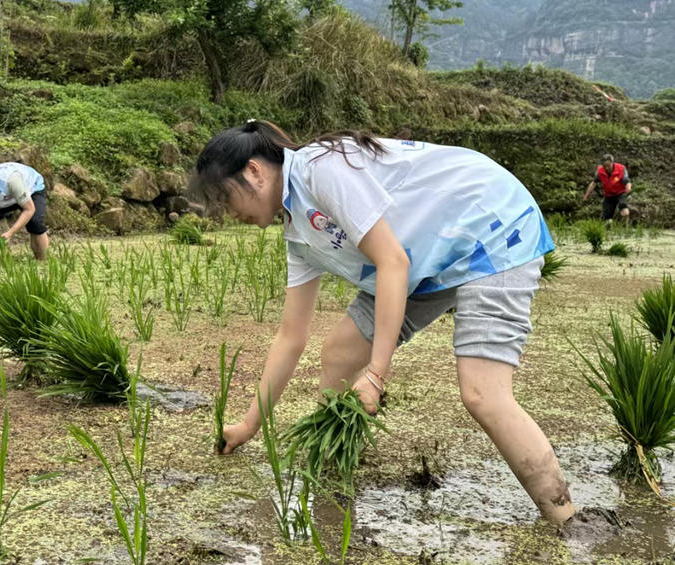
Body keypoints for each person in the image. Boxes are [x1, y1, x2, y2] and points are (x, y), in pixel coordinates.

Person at [192, 120, 575, 523]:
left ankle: (569, 521)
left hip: (490, 227)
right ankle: (332, 482)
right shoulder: (297, 231)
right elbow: (291, 336)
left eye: (224, 195)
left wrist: (376, 376)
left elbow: (392, 261)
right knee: (339, 354)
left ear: (253, 171)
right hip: (431, 258)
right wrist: (249, 425)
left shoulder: (320, 168)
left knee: (483, 393)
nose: (227, 212)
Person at [582, 153, 631, 223]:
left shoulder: (621, 168)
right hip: (609, 195)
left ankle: (626, 226)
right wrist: (586, 195)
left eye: (608, 166)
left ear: (612, 163)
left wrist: (628, 188)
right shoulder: (600, 171)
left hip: (620, 193)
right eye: (605, 166)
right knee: (607, 218)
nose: (607, 168)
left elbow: (627, 181)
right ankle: (610, 229)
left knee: (624, 210)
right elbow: (593, 183)